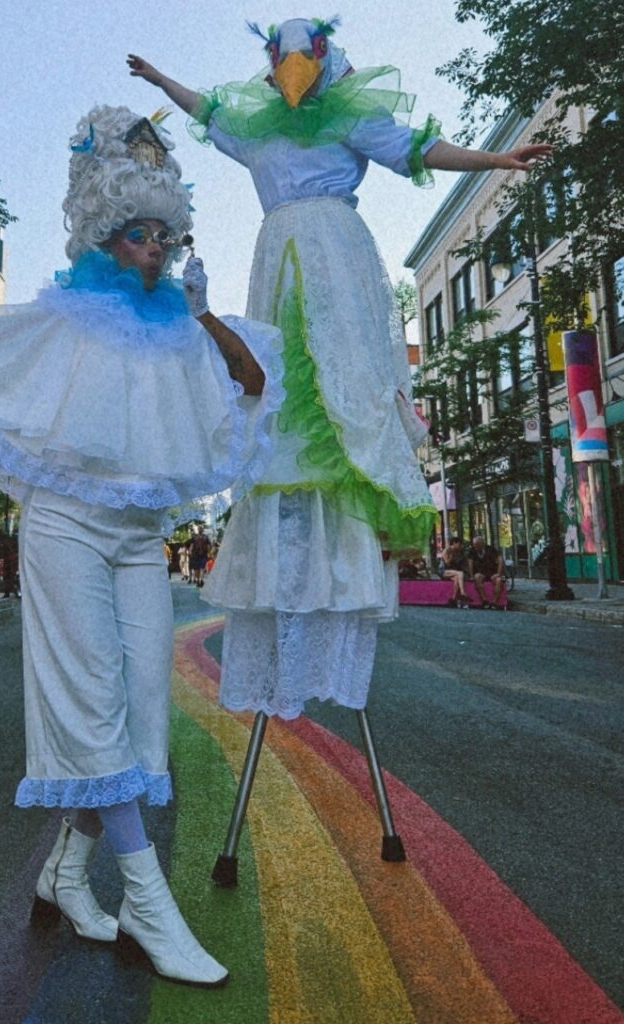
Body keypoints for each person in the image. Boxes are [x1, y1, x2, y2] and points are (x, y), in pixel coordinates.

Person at [0, 104, 283, 987]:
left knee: (141, 718)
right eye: (140, 235)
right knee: (93, 708)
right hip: (63, 525)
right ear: (105, 233)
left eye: (168, 236)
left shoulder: (179, 325)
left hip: (138, 539)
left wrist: (205, 314)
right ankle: (146, 898)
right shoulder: (64, 314)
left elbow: (249, 383)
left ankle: (63, 872)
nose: (156, 251)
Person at [128, 19, 551, 718]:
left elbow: (422, 149)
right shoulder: (256, 126)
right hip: (280, 252)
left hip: (336, 253)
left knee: (343, 379)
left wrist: (499, 158)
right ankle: (293, 571)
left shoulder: (351, 116)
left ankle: (349, 546)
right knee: (283, 390)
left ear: (325, 60)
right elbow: (206, 108)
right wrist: (160, 79)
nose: (294, 70)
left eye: (306, 57)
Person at [468, 535, 506, 608]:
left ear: (482, 544)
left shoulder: (491, 549)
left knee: (499, 580)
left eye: (477, 544)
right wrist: (471, 575)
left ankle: (495, 602)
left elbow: (501, 560)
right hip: (481, 572)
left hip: (492, 572)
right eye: (474, 544)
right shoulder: (472, 551)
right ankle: (484, 600)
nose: (475, 546)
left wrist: (498, 573)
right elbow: (470, 563)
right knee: (477, 577)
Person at [438, 536, 470, 609]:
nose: (461, 546)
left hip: (452, 571)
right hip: (443, 570)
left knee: (457, 579)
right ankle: (463, 593)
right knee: (460, 573)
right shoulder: (447, 550)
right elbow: (447, 563)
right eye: (459, 544)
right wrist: (451, 556)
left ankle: (454, 599)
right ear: (454, 543)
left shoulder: (459, 553)